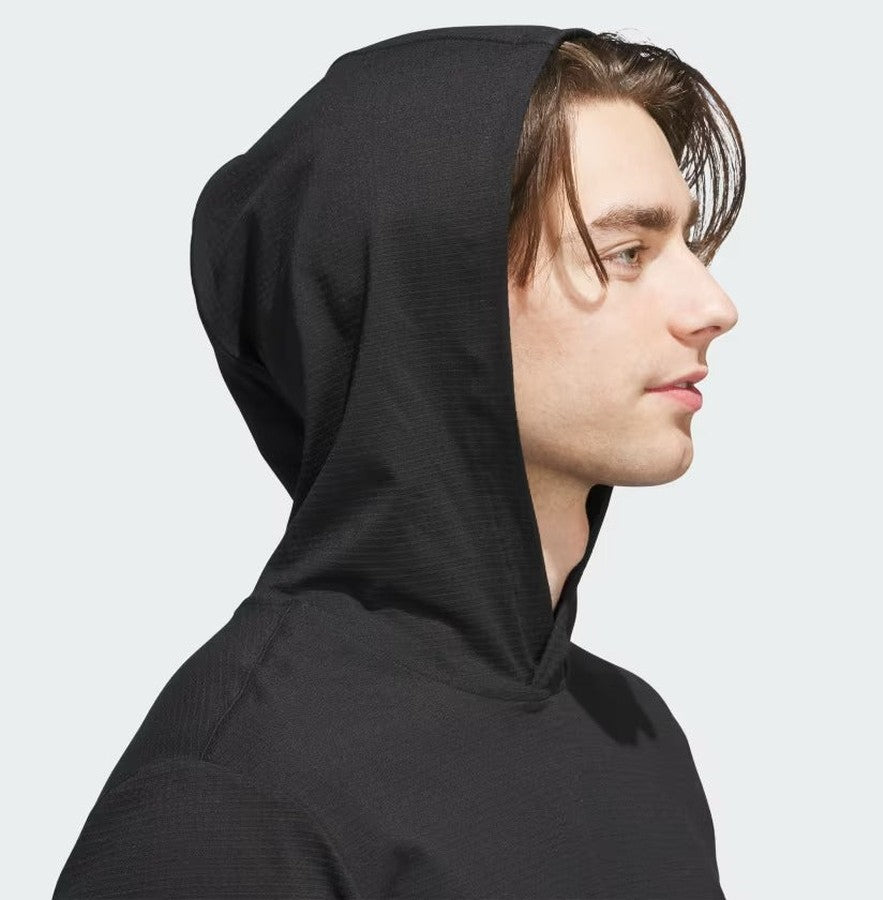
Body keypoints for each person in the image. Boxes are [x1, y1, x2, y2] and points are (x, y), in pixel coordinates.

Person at [53, 23, 744, 899]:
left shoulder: (638, 740)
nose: (714, 306)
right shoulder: (234, 796)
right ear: (433, 297)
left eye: (690, 245)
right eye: (628, 252)